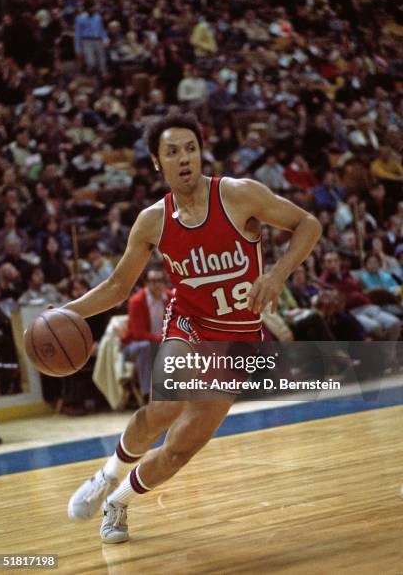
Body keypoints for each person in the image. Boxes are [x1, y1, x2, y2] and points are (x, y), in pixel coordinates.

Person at [66, 112, 322, 543]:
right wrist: (67, 311)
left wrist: (277, 274)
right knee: (166, 405)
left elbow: (308, 224)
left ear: (200, 153)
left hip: (239, 342)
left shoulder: (239, 195)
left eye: (190, 148)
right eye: (172, 151)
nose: (184, 158)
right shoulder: (152, 221)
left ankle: (119, 502)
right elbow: (116, 286)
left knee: (179, 451)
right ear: (156, 163)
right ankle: (107, 476)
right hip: (190, 325)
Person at [122, 267, 172, 400]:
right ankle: (147, 393)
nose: (156, 284)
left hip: (160, 344)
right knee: (146, 347)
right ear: (146, 283)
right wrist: (162, 340)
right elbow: (138, 333)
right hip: (132, 346)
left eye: (159, 280)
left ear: (164, 282)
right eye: (152, 281)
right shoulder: (137, 301)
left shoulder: (170, 298)